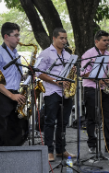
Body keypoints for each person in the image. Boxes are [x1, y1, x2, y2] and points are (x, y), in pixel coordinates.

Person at [81, 30, 109, 154]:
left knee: (108, 118)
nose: (107, 43)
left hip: (105, 89)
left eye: (108, 40)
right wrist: (98, 78)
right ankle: (92, 144)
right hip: (91, 88)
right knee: (92, 118)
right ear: (97, 41)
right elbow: (82, 73)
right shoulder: (88, 54)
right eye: (104, 40)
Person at [36, 28, 76, 162]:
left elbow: (70, 72)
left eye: (65, 38)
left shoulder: (68, 55)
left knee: (63, 123)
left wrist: (73, 71)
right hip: (52, 92)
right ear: (54, 38)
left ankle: (61, 149)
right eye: (61, 38)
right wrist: (56, 81)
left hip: (66, 93)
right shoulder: (46, 53)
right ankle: (49, 150)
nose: (64, 41)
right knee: (50, 122)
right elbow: (39, 73)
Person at [0, 22, 26, 147]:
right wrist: (11, 96)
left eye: (18, 35)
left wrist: (27, 75)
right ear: (6, 36)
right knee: (0, 132)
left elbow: (16, 75)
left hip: (14, 94)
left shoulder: (15, 53)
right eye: (15, 35)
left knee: (14, 130)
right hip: (2, 95)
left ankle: (11, 161)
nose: (18, 38)